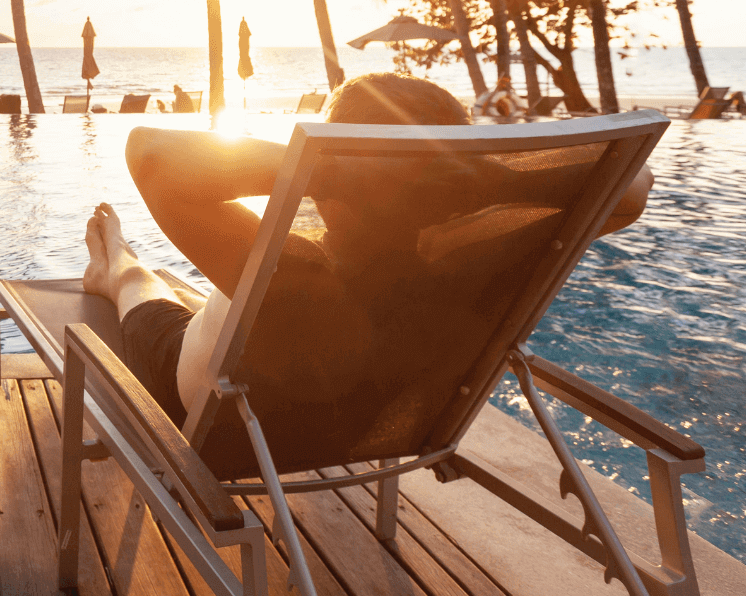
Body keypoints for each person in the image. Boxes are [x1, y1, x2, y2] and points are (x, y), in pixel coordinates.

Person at [81, 71, 655, 426]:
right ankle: (130, 267)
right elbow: (633, 186)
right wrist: (462, 177)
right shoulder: (474, 260)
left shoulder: (295, 271)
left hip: (196, 388)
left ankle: (115, 264)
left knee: (138, 285)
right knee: (193, 291)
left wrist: (346, 171)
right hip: (359, 417)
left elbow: (150, 151)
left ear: (329, 184)